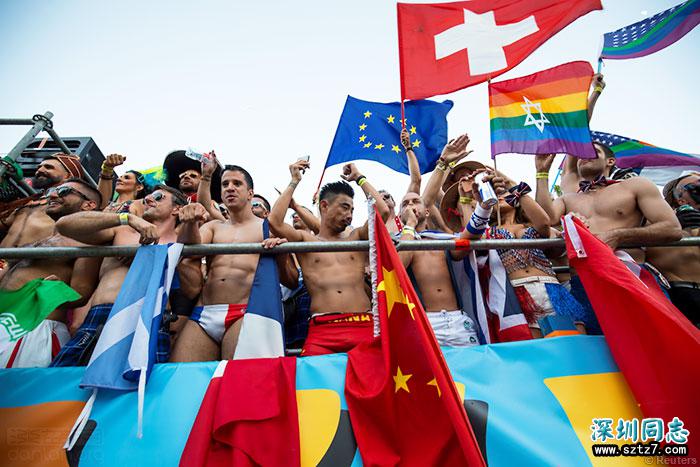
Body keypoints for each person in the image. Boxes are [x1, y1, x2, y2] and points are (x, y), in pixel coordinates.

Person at [534, 153, 683, 333]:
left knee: (653, 337)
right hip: (584, 283)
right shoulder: (568, 198)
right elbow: (544, 220)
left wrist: (617, 236)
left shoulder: (636, 185)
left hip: (628, 273)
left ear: (610, 161)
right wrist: (542, 173)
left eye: (593, 151)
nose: (584, 156)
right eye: (580, 154)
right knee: (596, 345)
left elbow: (672, 228)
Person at [50, 185, 186, 366]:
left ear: (176, 209)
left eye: (158, 196)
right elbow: (64, 225)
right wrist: (126, 218)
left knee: (145, 382)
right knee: (68, 376)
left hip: (152, 317)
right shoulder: (123, 230)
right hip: (106, 312)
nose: (148, 199)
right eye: (148, 196)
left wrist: (148, 255)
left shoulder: (184, 239)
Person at [269, 160, 390, 356]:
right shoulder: (306, 240)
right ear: (324, 206)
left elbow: (382, 211)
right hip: (322, 328)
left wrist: (359, 178)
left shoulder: (356, 237)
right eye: (345, 207)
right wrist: (294, 181)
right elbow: (274, 222)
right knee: (311, 376)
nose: (350, 215)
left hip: (362, 323)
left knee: (375, 374)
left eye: (352, 210)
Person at [446, 171, 587, 337]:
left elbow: (544, 223)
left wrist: (510, 185)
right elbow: (470, 238)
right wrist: (467, 200)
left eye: (504, 194)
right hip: (517, 294)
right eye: (496, 195)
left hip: (552, 289)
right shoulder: (488, 233)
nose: (500, 196)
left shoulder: (531, 226)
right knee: (534, 347)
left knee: (574, 341)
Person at [170, 165, 284, 361]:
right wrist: (190, 222)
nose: (230, 188)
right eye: (225, 184)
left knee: (236, 376)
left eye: (237, 183)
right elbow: (191, 248)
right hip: (203, 313)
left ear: (250, 193)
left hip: (244, 312)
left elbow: (291, 279)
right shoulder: (213, 227)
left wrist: (282, 251)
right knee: (182, 373)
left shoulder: (268, 228)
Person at [0, 179, 101, 368]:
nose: (52, 195)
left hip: (35, 329)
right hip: (6, 319)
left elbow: (81, 293)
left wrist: (56, 290)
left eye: (64, 191)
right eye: (52, 191)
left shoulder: (86, 243)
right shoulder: (43, 240)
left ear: (88, 205)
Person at [646, 173, 700, 327]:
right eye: (694, 187)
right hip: (679, 295)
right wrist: (673, 225)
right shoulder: (653, 221)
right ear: (679, 198)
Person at [0, 153, 85, 248]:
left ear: (68, 176)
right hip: (4, 255)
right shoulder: (29, 201)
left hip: (35, 256)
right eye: (39, 167)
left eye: (48, 167)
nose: (39, 170)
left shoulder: (74, 204)